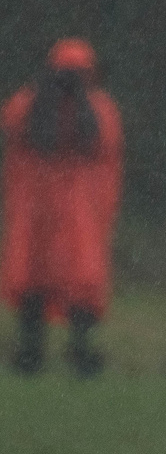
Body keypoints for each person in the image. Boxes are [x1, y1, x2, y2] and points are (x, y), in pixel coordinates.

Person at [3, 38, 122, 377]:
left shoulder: (92, 110)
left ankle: (67, 354)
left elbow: (102, 141)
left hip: (62, 218)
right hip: (57, 218)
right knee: (43, 282)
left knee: (70, 284)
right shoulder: (34, 107)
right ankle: (39, 354)